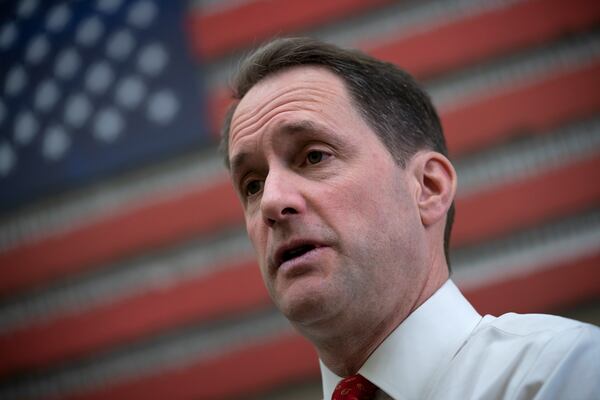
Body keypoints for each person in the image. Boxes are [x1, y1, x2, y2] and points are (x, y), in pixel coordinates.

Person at [220, 37, 600, 399]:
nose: (271, 201)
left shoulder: (563, 373)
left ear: (428, 188)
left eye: (314, 156)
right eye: (253, 185)